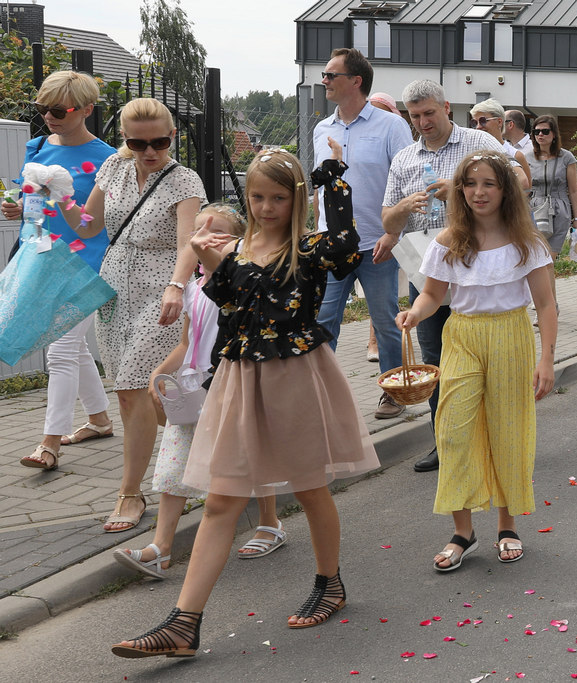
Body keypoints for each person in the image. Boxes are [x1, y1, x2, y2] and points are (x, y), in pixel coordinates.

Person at [111, 152, 380, 658]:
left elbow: (346, 246)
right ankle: (184, 623)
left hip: (296, 377)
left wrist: (335, 181)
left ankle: (329, 583)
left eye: (279, 198)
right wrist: (209, 260)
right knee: (221, 500)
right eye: (257, 197)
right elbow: (232, 310)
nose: (267, 207)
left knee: (310, 488)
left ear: (298, 199)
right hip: (238, 378)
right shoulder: (233, 249)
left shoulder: (309, 249)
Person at [395, 150, 556, 571]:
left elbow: (545, 304)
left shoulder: (526, 242)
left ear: (505, 190)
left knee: (508, 430)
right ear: (460, 190)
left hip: (510, 335)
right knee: (452, 431)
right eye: (470, 184)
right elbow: (432, 295)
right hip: (463, 336)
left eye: (488, 184)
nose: (478, 192)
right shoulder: (449, 240)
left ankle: (507, 525)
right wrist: (415, 313)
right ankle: (463, 532)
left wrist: (547, 360)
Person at [112, 205, 283, 579]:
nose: (205, 238)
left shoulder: (245, 283)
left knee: (251, 456)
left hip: (232, 383)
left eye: (216, 232)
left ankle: (269, 523)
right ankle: (161, 548)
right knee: (173, 465)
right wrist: (160, 372)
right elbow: (187, 343)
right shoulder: (192, 289)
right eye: (199, 231)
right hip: (191, 389)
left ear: (238, 240)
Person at [59, 98, 205, 533]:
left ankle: (130, 492)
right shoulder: (113, 168)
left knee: (130, 388)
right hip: (115, 288)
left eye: (160, 142)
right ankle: (205, 448)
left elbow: (189, 243)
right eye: (138, 143)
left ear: (173, 136)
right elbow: (88, 225)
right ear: (124, 139)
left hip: (161, 291)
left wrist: (177, 287)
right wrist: (59, 195)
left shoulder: (184, 180)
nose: (150, 151)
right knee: (145, 395)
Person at [382, 79, 509, 473]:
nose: (423, 122)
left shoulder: (478, 142)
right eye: (415, 116)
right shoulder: (404, 158)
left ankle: (492, 440)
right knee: (435, 359)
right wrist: (403, 206)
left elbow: (516, 186)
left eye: (429, 113)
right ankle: (446, 443)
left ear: (446, 107)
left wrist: (460, 190)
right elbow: (387, 221)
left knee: (483, 355)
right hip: (426, 269)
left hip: (476, 267)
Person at [3, 71, 116, 471]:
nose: (48, 117)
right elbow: (33, 201)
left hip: (85, 262)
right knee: (72, 346)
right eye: (42, 108)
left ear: (86, 109)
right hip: (41, 256)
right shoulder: (37, 147)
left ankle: (49, 443)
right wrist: (20, 207)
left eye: (58, 110)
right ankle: (100, 420)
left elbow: (100, 221)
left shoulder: (108, 159)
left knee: (62, 349)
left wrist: (64, 202)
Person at [313, 48, 413, 420]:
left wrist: (394, 233)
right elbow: (319, 187)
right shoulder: (322, 129)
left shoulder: (391, 126)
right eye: (324, 74)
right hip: (332, 245)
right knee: (323, 321)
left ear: (355, 81)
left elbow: (407, 181)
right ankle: (318, 397)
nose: (324, 80)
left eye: (331, 74)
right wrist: (317, 230)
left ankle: (393, 393)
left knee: (385, 322)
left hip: (377, 245)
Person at [363, 90, 408, 364]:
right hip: (360, 230)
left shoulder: (395, 134)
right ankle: (374, 340)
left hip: (390, 228)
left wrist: (394, 230)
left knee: (385, 301)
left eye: (380, 110)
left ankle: (383, 348)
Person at [525, 114, 577, 269]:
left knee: (548, 260)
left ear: (554, 134)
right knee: (535, 259)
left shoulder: (566, 157)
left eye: (545, 131)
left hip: (559, 210)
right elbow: (523, 188)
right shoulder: (527, 157)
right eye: (536, 132)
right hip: (533, 210)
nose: (540, 135)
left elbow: (574, 190)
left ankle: (548, 286)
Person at [469, 98, 531, 187]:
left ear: (499, 122)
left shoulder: (515, 155)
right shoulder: (471, 153)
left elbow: (526, 190)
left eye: (483, 121)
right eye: (474, 122)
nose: (478, 127)